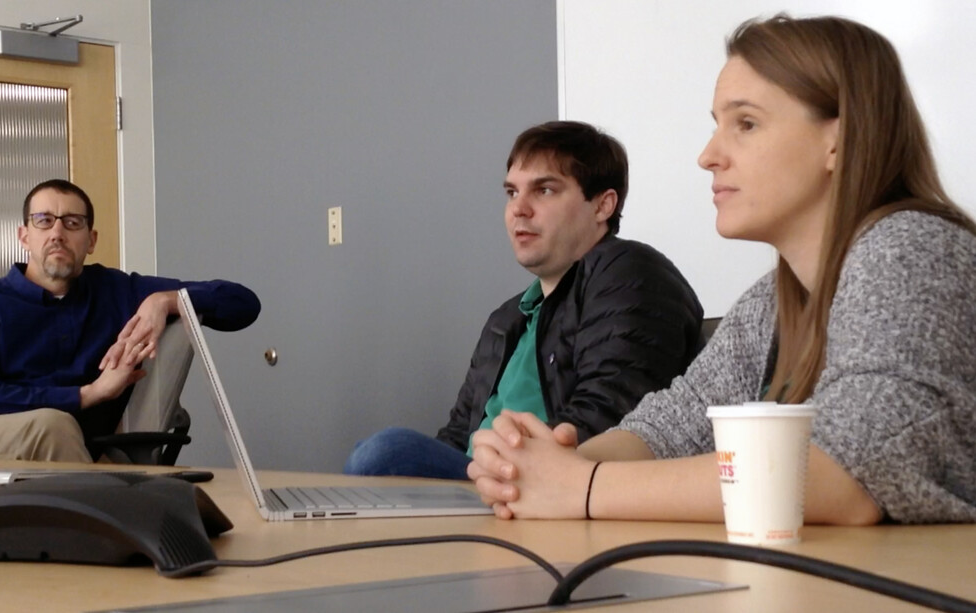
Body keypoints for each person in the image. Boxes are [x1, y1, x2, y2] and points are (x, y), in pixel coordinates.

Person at [469, 15, 976, 525]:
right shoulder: (774, 300)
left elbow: (850, 477)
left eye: (746, 123)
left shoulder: (913, 249)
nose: (708, 155)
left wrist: (583, 486)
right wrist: (541, 468)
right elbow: (669, 428)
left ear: (838, 142)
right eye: (717, 124)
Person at [344, 121, 704, 479]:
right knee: (367, 462)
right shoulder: (505, 319)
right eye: (512, 193)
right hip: (481, 482)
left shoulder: (628, 272)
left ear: (602, 206)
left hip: (545, 482)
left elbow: (608, 419)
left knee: (385, 453)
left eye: (544, 190)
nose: (519, 209)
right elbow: (458, 437)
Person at [0, 179, 261, 462]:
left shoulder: (118, 290)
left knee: (58, 431)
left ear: (91, 240)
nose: (57, 233)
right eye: (44, 220)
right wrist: (88, 394)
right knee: (53, 426)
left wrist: (167, 300)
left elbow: (243, 304)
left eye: (73, 223)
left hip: (62, 450)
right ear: (24, 237)